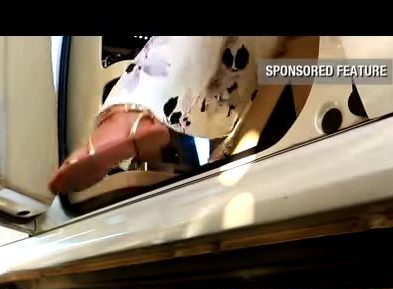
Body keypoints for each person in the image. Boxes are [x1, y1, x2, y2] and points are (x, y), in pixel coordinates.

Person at [49, 36, 288, 194]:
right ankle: (226, 147)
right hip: (300, 70)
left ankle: (133, 112)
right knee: (268, 57)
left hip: (297, 71)